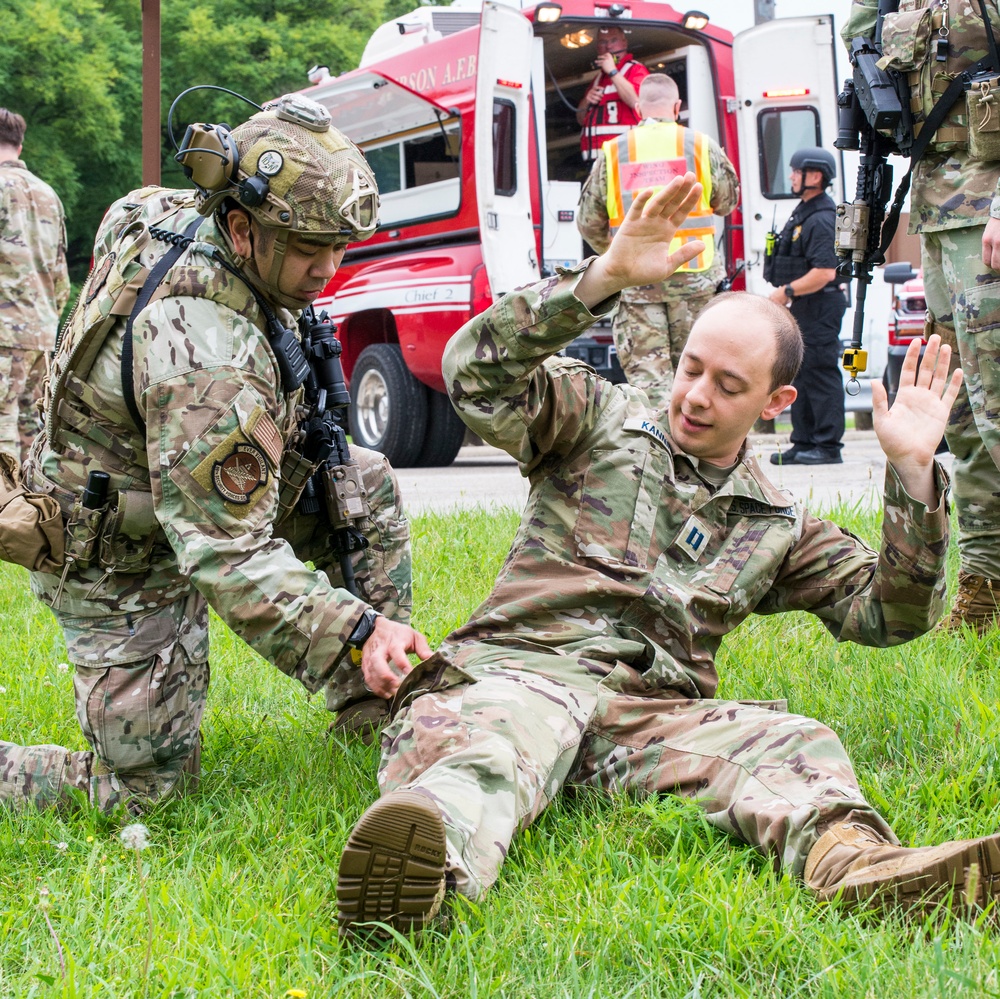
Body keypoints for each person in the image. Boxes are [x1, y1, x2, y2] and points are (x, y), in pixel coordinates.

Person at [333, 174, 1000, 941]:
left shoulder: (774, 520)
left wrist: (915, 475)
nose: (694, 396)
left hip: (641, 728)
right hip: (516, 676)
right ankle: (420, 865)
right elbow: (472, 374)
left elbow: (891, 613)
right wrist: (602, 278)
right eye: (691, 368)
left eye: (727, 385)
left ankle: (860, 868)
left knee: (794, 739)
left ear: (775, 405)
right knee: (498, 736)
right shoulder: (596, 416)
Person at [0, 94, 431, 814]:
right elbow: (226, 555)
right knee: (147, 793)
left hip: (172, 483)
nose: (328, 267)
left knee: (362, 482)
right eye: (306, 248)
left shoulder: (160, 206)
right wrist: (357, 630)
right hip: (115, 548)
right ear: (239, 227)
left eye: (339, 245)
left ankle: (371, 709)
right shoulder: (204, 353)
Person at [844, 1, 1000, 633]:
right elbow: (866, 48)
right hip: (937, 215)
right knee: (964, 420)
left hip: (988, 216)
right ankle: (987, 587)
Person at [577, 73, 739, 410]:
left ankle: (662, 455)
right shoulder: (700, 145)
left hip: (637, 285)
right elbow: (727, 201)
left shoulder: (613, 152)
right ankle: (699, 454)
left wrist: (616, 256)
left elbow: (589, 222)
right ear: (678, 107)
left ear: (637, 108)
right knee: (700, 376)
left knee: (650, 384)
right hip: (696, 279)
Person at [765, 147, 848, 466]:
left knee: (820, 373)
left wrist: (786, 291)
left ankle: (827, 446)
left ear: (814, 176)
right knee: (800, 372)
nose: (791, 176)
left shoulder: (822, 218)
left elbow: (825, 272)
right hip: (805, 305)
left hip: (820, 305)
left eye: (796, 171)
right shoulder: (804, 211)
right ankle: (803, 442)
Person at [0, 108, 71, 463]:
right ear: (20, 144)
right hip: (41, 332)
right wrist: (48, 320)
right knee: (33, 431)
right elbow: (60, 273)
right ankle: (30, 514)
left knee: (2, 428)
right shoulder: (48, 194)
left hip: (3, 333)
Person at [576, 26, 649, 165]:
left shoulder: (636, 70)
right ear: (598, 47)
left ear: (624, 43)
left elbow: (636, 102)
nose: (608, 46)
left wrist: (612, 71)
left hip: (626, 158)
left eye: (613, 40)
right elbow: (580, 119)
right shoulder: (597, 79)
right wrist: (586, 101)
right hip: (596, 161)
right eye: (603, 42)